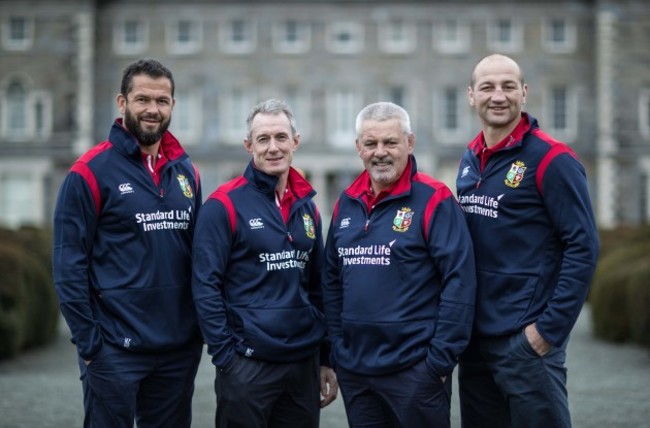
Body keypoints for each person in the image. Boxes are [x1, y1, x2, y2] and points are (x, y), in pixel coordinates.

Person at [52, 58, 203, 428]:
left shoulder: (187, 172)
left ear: (172, 106)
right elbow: (68, 266)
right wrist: (90, 346)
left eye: (162, 101)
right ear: (122, 103)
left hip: (177, 350)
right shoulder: (88, 173)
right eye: (143, 99)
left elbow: (198, 257)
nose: (153, 109)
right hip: (114, 349)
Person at [456, 53, 600, 428]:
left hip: (526, 343)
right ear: (472, 96)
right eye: (487, 87)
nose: (498, 95)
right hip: (474, 343)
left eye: (508, 86)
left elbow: (583, 247)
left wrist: (547, 331)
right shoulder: (470, 158)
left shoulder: (553, 160)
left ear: (524, 93)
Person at [321, 101, 477, 428]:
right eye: (371, 143)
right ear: (358, 148)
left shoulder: (435, 199)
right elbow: (331, 281)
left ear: (409, 142)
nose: (381, 152)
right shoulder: (346, 203)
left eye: (391, 142)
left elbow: (459, 280)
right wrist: (337, 349)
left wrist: (439, 361)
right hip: (357, 374)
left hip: (416, 373)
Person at [191, 98, 338, 427]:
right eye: (263, 139)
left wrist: (325, 358)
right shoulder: (223, 205)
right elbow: (205, 285)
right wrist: (226, 356)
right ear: (248, 145)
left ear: (295, 142)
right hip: (247, 364)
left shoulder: (308, 207)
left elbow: (318, 285)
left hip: (303, 363)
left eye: (281, 137)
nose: (273, 147)